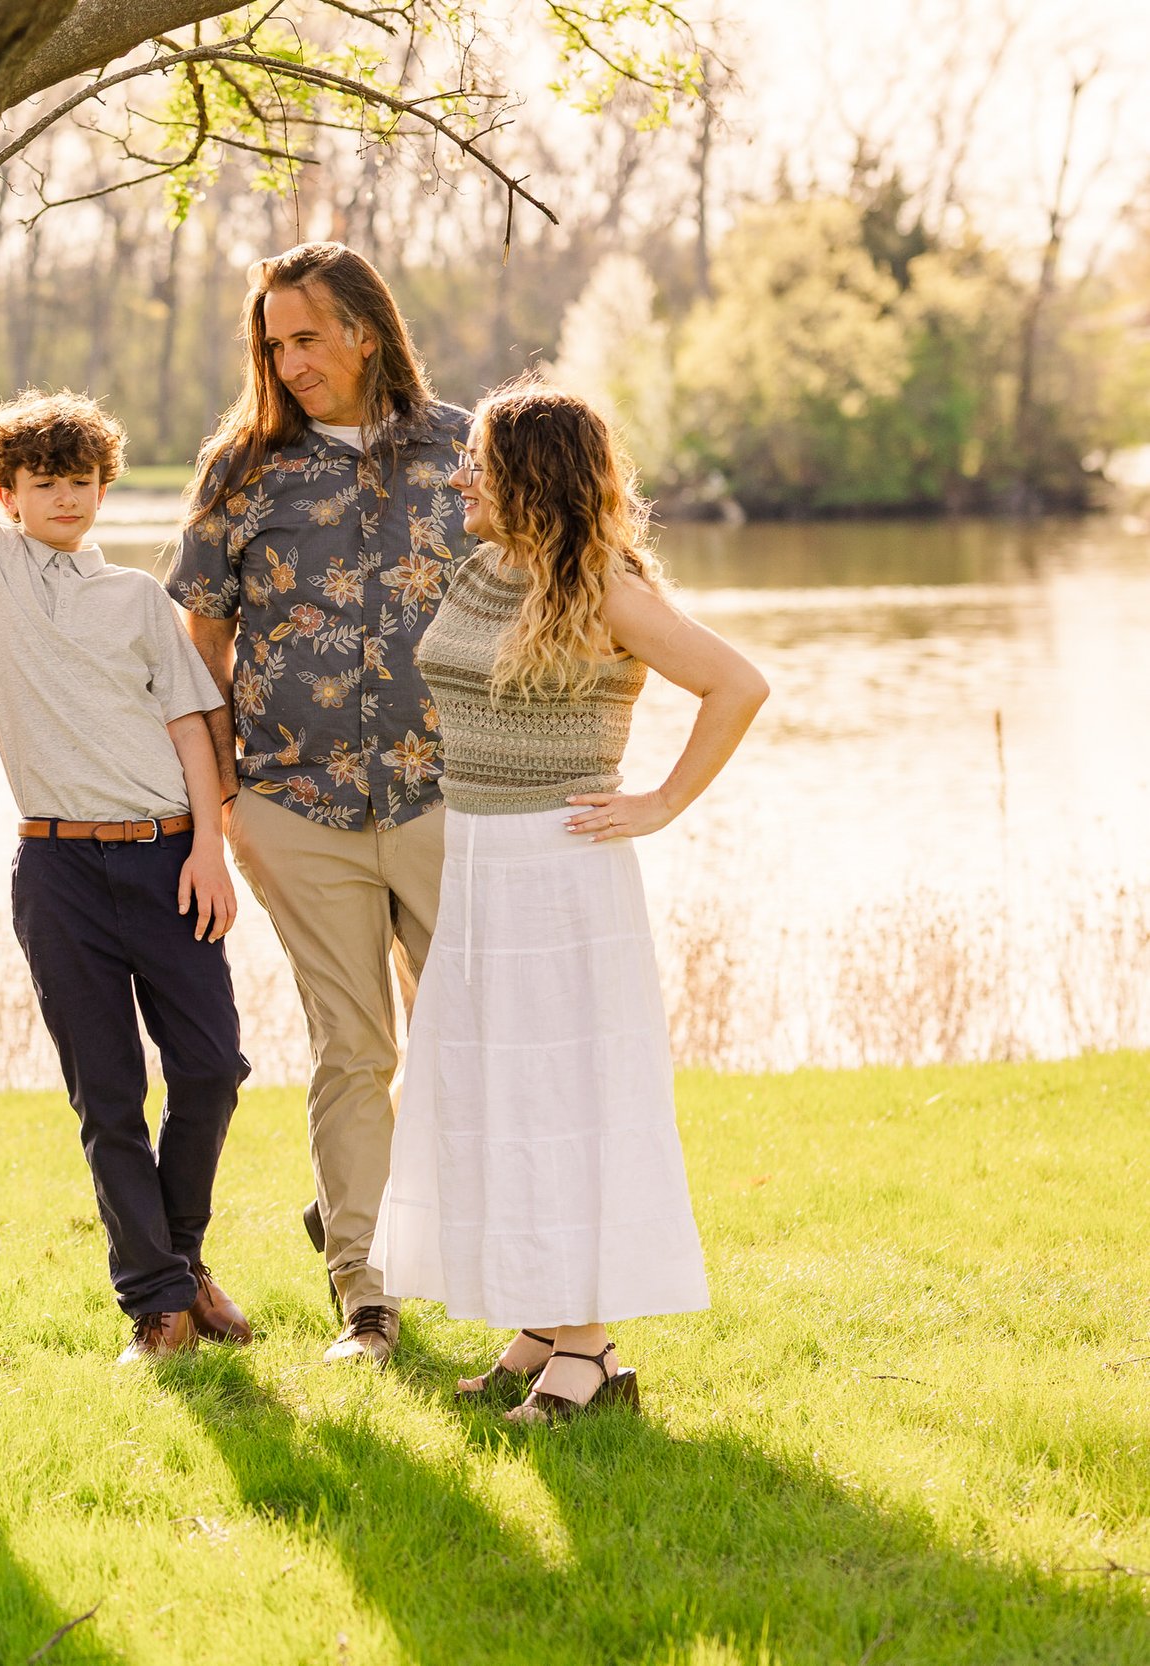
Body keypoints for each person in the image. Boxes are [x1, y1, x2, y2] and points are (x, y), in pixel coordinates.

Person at [372, 381, 768, 1422]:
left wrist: (661, 801)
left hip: (559, 867)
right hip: (478, 861)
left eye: (477, 463)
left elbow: (737, 683)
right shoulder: (481, 568)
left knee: (561, 1095)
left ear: (527, 476)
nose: (458, 475)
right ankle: (544, 1326)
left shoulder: (607, 590)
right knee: (496, 1091)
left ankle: (587, 1357)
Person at [0, 217, 251, 1365]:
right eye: (42, 480)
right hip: (58, 866)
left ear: (103, 488)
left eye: (81, 479)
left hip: (167, 857)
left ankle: (185, 1254)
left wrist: (211, 848)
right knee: (106, 1094)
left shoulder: (138, 602)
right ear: (4, 493)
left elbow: (194, 725)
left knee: (211, 1067)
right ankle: (156, 1304)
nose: (64, 496)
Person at [167, 242, 470, 1366]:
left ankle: (452, 1246)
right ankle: (367, 1296)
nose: (287, 361)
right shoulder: (242, 470)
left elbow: (549, 592)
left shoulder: (464, 452)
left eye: (305, 336)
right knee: (352, 1047)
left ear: (366, 331)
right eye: (271, 342)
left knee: (467, 1036)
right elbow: (193, 640)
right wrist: (225, 798)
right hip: (296, 808)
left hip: (450, 795)